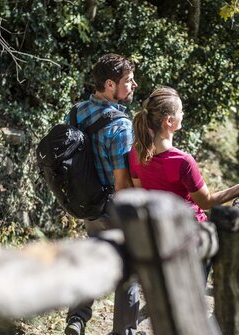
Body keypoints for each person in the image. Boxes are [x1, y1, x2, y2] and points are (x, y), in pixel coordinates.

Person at [64, 53, 141, 335]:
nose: (134, 85)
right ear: (110, 84)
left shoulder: (76, 112)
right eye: (128, 81)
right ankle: (126, 331)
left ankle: (77, 318)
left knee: (92, 260)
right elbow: (122, 182)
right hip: (114, 208)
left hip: (86, 203)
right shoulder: (121, 126)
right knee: (128, 271)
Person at [129, 85, 239, 224]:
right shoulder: (182, 161)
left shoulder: (136, 153)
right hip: (192, 230)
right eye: (180, 111)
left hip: (162, 230)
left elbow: (141, 193)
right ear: (169, 121)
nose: (183, 114)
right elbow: (206, 202)